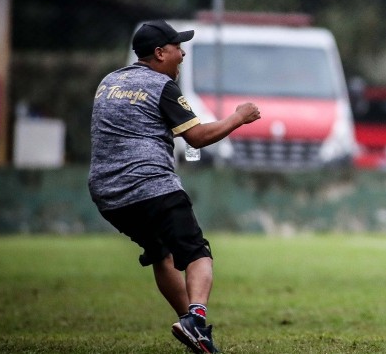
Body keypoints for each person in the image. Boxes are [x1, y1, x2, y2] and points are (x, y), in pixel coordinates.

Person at [88, 20, 261, 354]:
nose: (182, 54)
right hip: (151, 186)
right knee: (197, 252)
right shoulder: (161, 86)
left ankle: (193, 329)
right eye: (177, 48)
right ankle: (195, 319)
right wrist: (239, 116)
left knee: (161, 254)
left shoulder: (108, 82)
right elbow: (196, 136)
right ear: (159, 53)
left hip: (107, 194)